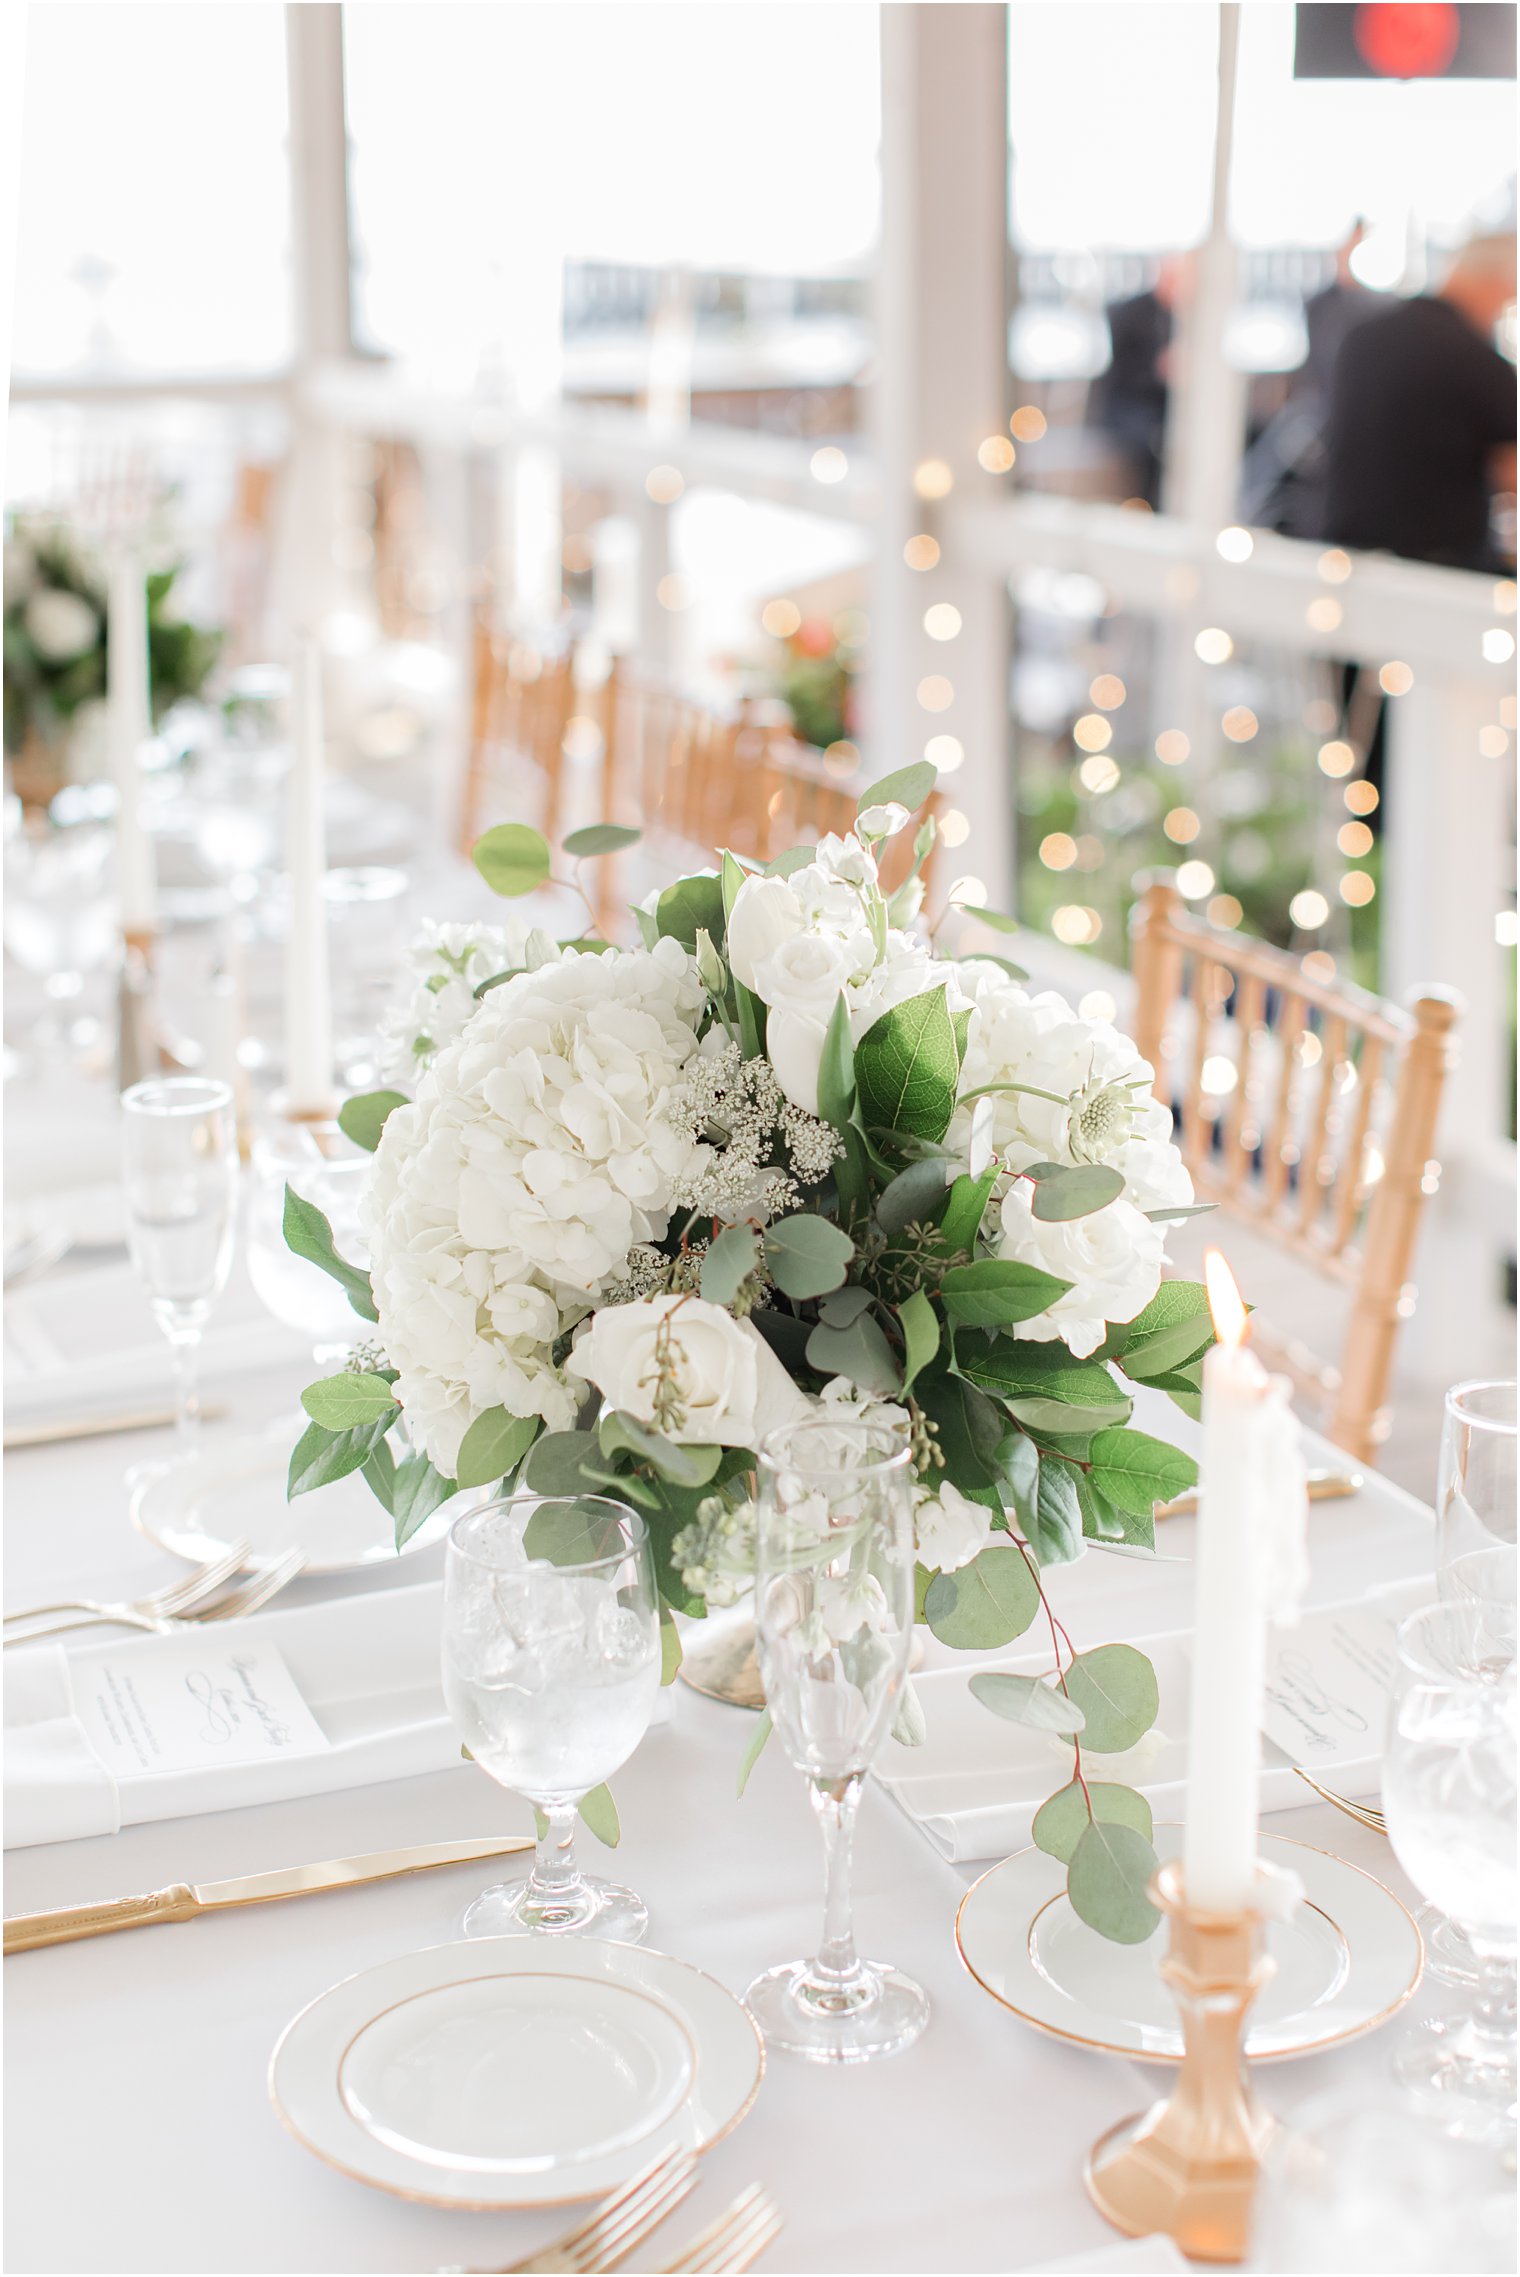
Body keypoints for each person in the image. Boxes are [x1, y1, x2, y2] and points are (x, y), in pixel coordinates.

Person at [1319, 233, 1517, 571]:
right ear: (1493, 283)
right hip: (1439, 565)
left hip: (1343, 553)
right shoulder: (1479, 360)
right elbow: (1511, 471)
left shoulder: (1363, 336)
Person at [1089, 255, 1192, 509]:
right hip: (1127, 405)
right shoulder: (1131, 312)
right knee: (1157, 439)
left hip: (1164, 405)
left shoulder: (1183, 316)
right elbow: (1124, 371)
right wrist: (1159, 369)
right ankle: (1153, 508)